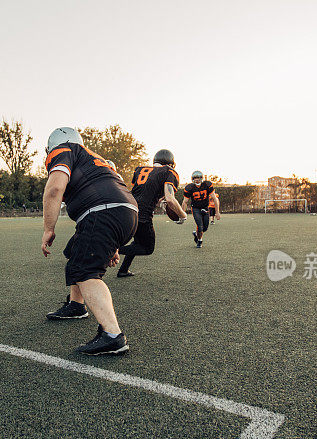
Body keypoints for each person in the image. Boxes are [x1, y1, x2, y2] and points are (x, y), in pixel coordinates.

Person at [41, 127, 138, 355]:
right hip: (127, 212)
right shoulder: (97, 160)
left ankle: (112, 335)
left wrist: (48, 228)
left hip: (103, 213)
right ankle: (76, 305)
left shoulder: (64, 150)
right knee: (75, 251)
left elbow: (55, 189)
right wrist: (113, 244)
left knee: (86, 271)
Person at [116, 149, 187, 277]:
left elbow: (143, 190)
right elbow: (170, 198)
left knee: (137, 243)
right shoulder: (169, 171)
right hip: (143, 216)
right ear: (171, 163)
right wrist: (183, 215)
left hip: (129, 209)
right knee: (147, 248)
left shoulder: (140, 170)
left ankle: (123, 270)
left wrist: (158, 198)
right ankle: (111, 250)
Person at [182, 170, 220, 248]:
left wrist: (217, 212)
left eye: (198, 177)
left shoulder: (207, 185)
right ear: (192, 179)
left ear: (201, 178)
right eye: (195, 178)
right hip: (195, 208)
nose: (197, 179)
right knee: (200, 226)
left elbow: (215, 198)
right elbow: (185, 202)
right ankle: (199, 241)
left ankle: (196, 234)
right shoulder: (189, 188)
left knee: (205, 228)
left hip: (205, 207)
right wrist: (182, 214)